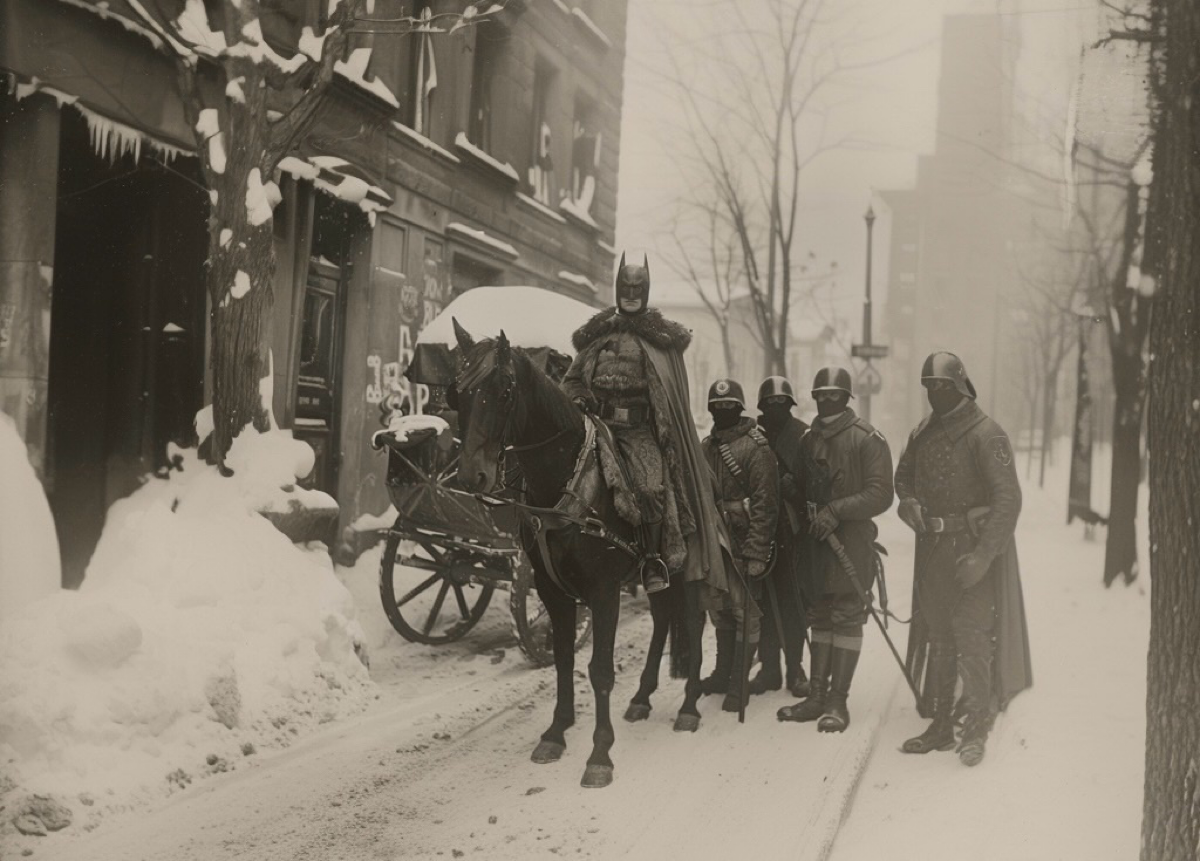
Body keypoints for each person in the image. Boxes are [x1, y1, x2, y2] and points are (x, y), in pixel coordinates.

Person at [561, 254, 728, 597]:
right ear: (617, 289)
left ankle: (652, 558)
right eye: (626, 287)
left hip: (637, 431)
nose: (632, 293)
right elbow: (572, 379)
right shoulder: (597, 335)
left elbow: (669, 397)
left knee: (652, 488)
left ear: (647, 291)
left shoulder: (659, 340)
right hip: (596, 423)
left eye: (638, 288)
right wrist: (579, 398)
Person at [895, 351, 1032, 766]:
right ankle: (941, 724)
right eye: (930, 386)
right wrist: (909, 503)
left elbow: (1008, 500)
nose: (935, 393)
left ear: (959, 386)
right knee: (940, 637)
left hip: (972, 550)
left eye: (942, 385)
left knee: (971, 638)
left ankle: (975, 727)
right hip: (934, 551)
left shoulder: (986, 434)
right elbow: (903, 477)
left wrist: (983, 556)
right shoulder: (922, 432)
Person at [777, 367, 894, 733]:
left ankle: (837, 702)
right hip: (815, 541)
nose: (827, 400)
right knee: (819, 613)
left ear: (847, 397)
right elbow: (799, 484)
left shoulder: (867, 439)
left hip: (851, 541)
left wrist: (836, 510)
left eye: (834, 394)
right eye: (821, 394)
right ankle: (816, 698)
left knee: (845, 613)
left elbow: (881, 493)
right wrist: (780, 482)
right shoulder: (809, 440)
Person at [699, 379, 779, 714]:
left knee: (746, 611)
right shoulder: (706, 447)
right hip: (716, 539)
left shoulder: (756, 447)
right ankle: (722, 673)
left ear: (740, 408)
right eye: (717, 407)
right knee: (719, 608)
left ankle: (739, 681)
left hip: (745, 539)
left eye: (729, 406)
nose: (722, 411)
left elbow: (765, 504)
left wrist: (757, 552)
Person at [750, 376, 811, 698]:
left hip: (795, 533)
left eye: (781, 403)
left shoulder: (803, 436)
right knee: (764, 606)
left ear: (790, 404)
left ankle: (795, 669)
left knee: (793, 605)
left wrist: (792, 487)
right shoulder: (754, 437)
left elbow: (814, 485)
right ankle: (769, 669)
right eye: (770, 404)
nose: (776, 408)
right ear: (761, 407)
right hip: (761, 529)